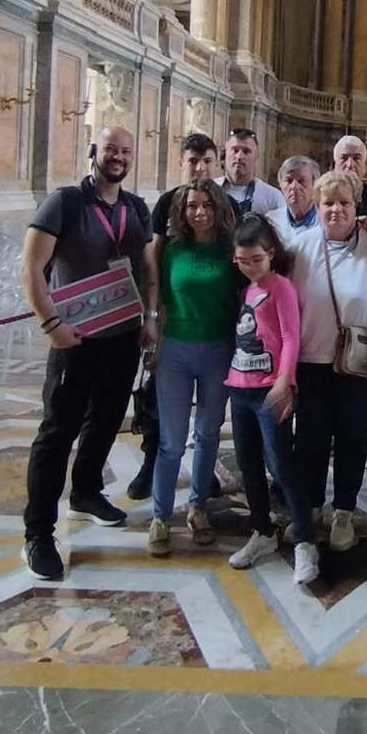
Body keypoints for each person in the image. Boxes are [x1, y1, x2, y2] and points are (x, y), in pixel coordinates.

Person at [18, 126, 155, 581]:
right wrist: (51, 325)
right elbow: (31, 267)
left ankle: (87, 491)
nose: (118, 156)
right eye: (111, 149)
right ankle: (38, 534)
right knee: (58, 432)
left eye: (126, 150)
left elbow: (148, 268)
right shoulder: (65, 202)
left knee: (106, 420)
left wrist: (151, 316)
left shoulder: (136, 208)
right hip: (74, 339)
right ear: (94, 152)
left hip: (123, 336)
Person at [290, 171, 367, 550]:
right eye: (328, 203)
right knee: (310, 438)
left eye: (344, 202)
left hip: (359, 361)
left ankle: (343, 510)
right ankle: (309, 508)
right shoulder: (300, 248)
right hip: (311, 359)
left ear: (357, 206)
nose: (336, 209)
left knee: (353, 437)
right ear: (316, 207)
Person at [127, 132, 237, 501]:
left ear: (217, 163)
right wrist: (152, 320)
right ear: (182, 163)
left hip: (218, 343)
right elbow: (155, 267)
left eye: (207, 161)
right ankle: (155, 481)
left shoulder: (228, 229)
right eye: (193, 160)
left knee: (208, 428)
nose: (200, 167)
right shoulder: (167, 211)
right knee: (166, 428)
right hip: (175, 340)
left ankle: (200, 492)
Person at [146, 180, 243, 557]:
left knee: (207, 433)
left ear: (218, 209)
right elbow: (160, 299)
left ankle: (198, 506)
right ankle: (160, 515)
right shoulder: (172, 250)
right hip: (175, 350)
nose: (199, 212)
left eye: (206, 205)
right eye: (191, 206)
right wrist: (154, 341)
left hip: (219, 349)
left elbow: (244, 297)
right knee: (171, 440)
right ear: (182, 212)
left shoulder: (230, 252)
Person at [225, 217, 319, 584]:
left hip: (270, 388)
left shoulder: (280, 286)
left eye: (256, 259)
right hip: (240, 386)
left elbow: (291, 337)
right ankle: (262, 530)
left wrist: (285, 380)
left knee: (281, 464)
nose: (250, 267)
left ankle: (304, 539)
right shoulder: (246, 289)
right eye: (242, 261)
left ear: (271, 254)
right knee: (247, 464)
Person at [222, 127, 286, 217]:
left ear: (256, 156)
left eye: (246, 151)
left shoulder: (273, 197)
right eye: (235, 150)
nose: (239, 156)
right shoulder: (209, 191)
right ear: (225, 153)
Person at [268, 155, 321, 240]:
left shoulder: (325, 222)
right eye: (289, 181)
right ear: (280, 184)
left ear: (315, 184)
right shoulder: (271, 221)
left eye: (301, 181)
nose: (294, 186)